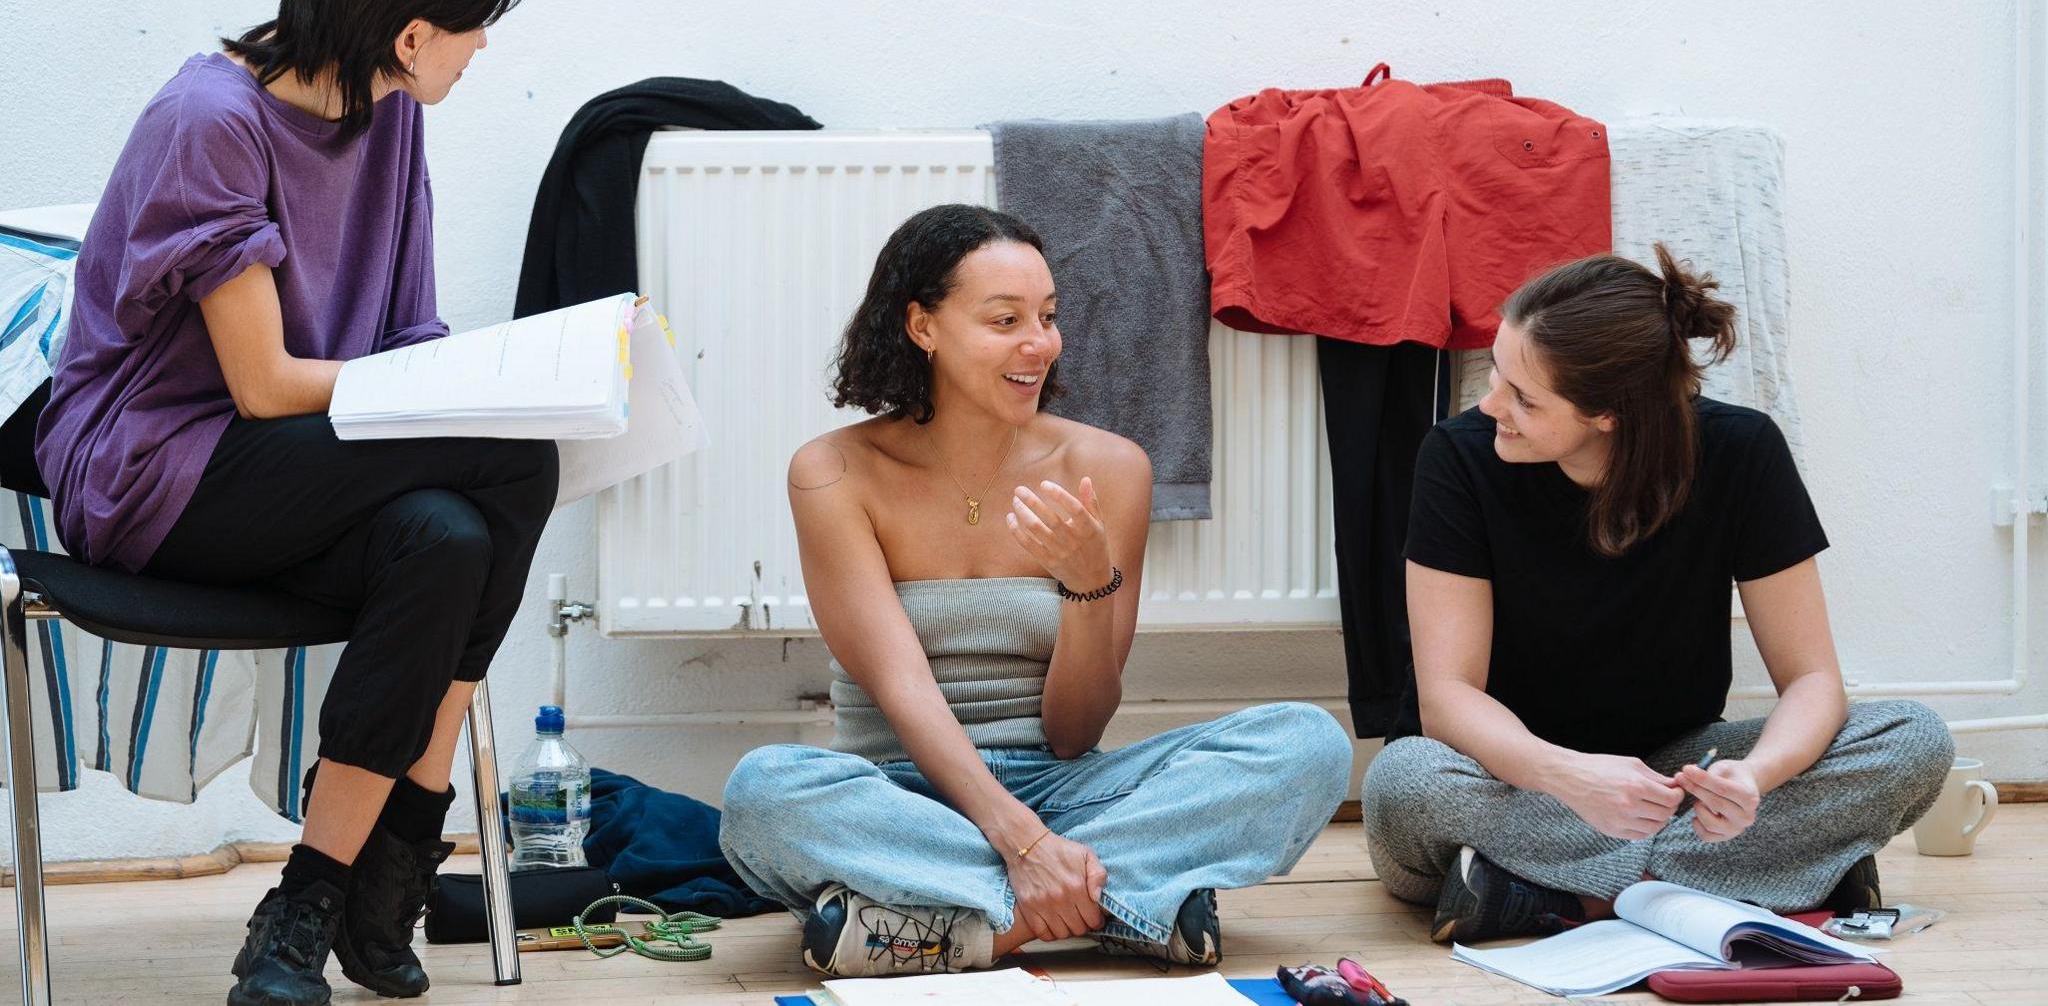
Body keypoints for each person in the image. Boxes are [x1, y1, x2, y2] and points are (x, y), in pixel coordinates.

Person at [34, 0, 554, 1005]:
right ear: (412, 32)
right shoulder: (210, 121)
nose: (477, 55)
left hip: (292, 481)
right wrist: (483, 393)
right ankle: (412, 831)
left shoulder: (390, 115)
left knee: (447, 536)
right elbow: (265, 385)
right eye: (473, 32)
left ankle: (312, 898)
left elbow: (408, 330)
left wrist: (470, 376)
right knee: (517, 455)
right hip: (153, 473)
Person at [717, 203, 1353, 977]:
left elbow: (1074, 734)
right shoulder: (835, 472)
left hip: (1069, 786)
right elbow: (901, 690)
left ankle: (952, 926)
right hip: (902, 793)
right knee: (764, 792)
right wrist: (1024, 844)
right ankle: (1128, 901)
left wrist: (1090, 588)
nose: (1038, 344)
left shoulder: (1111, 468)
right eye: (1004, 319)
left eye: (1047, 317)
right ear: (923, 325)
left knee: (1306, 742)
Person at [1361, 245, 1955, 943]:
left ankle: (1549, 894)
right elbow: (1446, 698)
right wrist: (1572, 779)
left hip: (1672, 770)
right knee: (1404, 782)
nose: (1494, 404)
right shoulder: (1458, 458)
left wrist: (1754, 781)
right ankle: (1777, 875)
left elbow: (1814, 679)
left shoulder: (1742, 451)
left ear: (1609, 413)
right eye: (1498, 371)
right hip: (1512, 775)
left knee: (1914, 737)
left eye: (1524, 397)